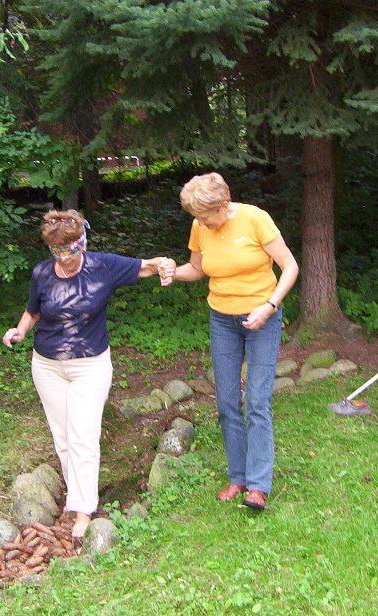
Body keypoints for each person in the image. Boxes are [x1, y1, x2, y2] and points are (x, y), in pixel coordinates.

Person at [2, 209, 168, 541]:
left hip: (90, 365)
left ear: (82, 241)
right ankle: (75, 497)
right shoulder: (42, 273)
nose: (63, 257)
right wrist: (19, 331)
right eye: (56, 251)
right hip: (47, 365)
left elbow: (145, 265)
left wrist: (164, 264)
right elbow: (32, 311)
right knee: (63, 438)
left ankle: (84, 509)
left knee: (84, 437)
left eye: (70, 249)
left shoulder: (103, 266)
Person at [160, 172, 299, 511]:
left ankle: (259, 485)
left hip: (262, 318)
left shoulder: (255, 219)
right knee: (226, 403)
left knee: (257, 401)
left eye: (205, 216)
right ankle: (237, 477)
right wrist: (172, 272)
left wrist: (270, 306)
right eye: (196, 217)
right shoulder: (200, 226)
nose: (200, 223)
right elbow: (197, 269)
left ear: (222, 205)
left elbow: (290, 266)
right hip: (222, 320)